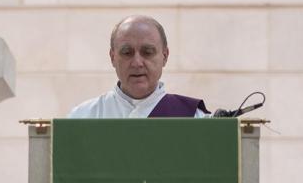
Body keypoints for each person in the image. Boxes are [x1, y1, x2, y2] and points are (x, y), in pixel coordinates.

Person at [68, 15, 209, 118]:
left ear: (164, 56)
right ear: (112, 57)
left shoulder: (193, 119)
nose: (137, 62)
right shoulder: (83, 117)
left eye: (147, 52)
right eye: (127, 52)